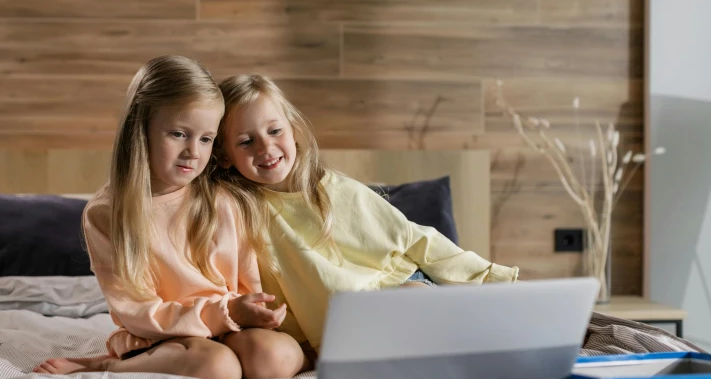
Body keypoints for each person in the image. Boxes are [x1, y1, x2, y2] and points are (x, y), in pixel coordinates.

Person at [33, 57, 308, 379]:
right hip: (161, 336)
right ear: (140, 129)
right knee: (219, 367)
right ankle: (106, 367)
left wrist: (256, 313)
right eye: (179, 134)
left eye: (206, 139)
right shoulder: (107, 213)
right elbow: (137, 313)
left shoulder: (224, 198)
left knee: (276, 357)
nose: (193, 151)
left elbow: (248, 283)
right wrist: (225, 314)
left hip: (230, 326)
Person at [212, 74, 520, 353]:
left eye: (275, 130)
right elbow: (274, 289)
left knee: (415, 299)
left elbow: (416, 240)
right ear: (225, 157)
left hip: (400, 288)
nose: (266, 147)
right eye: (246, 141)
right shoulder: (240, 212)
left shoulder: (335, 189)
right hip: (344, 327)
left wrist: (490, 278)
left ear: (293, 131)